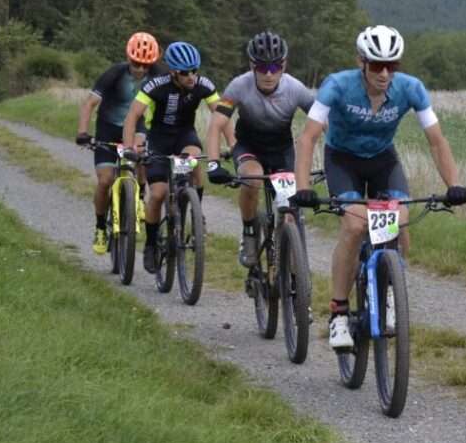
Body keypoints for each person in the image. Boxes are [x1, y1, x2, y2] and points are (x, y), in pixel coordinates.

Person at [290, 25, 466, 349]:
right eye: (376, 65)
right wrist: (302, 187)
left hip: (383, 162)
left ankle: (388, 292)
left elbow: (436, 141)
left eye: (392, 65)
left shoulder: (411, 89)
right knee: (355, 225)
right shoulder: (337, 85)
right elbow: (308, 138)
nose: (384, 73)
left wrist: (454, 184)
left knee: (400, 223)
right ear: (362, 62)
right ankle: (339, 314)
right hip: (343, 161)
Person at [204, 30, 315, 267]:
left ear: (283, 65)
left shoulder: (296, 88)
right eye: (262, 67)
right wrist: (213, 164)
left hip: (282, 150)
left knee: (290, 210)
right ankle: (249, 233)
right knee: (252, 179)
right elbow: (216, 126)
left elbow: (323, 123)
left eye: (274, 67)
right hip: (249, 146)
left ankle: (292, 267)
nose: (268, 74)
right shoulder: (238, 86)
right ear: (252, 65)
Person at [122, 41, 233, 273]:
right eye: (185, 73)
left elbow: (222, 115)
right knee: (159, 194)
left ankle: (195, 209)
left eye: (195, 70)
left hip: (185, 135)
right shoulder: (156, 85)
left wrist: (234, 145)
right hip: (159, 138)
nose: (191, 77)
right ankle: (152, 244)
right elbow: (133, 116)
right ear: (172, 71)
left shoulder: (203, 85)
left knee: (193, 161)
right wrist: (129, 146)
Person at [75, 31, 165, 255]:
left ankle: (140, 195)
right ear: (128, 58)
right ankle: (99, 228)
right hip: (108, 128)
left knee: (142, 153)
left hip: (137, 126)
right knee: (105, 180)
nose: (141, 69)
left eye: (146, 65)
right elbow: (89, 104)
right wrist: (83, 132)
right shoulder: (114, 74)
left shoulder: (158, 74)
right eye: (136, 64)